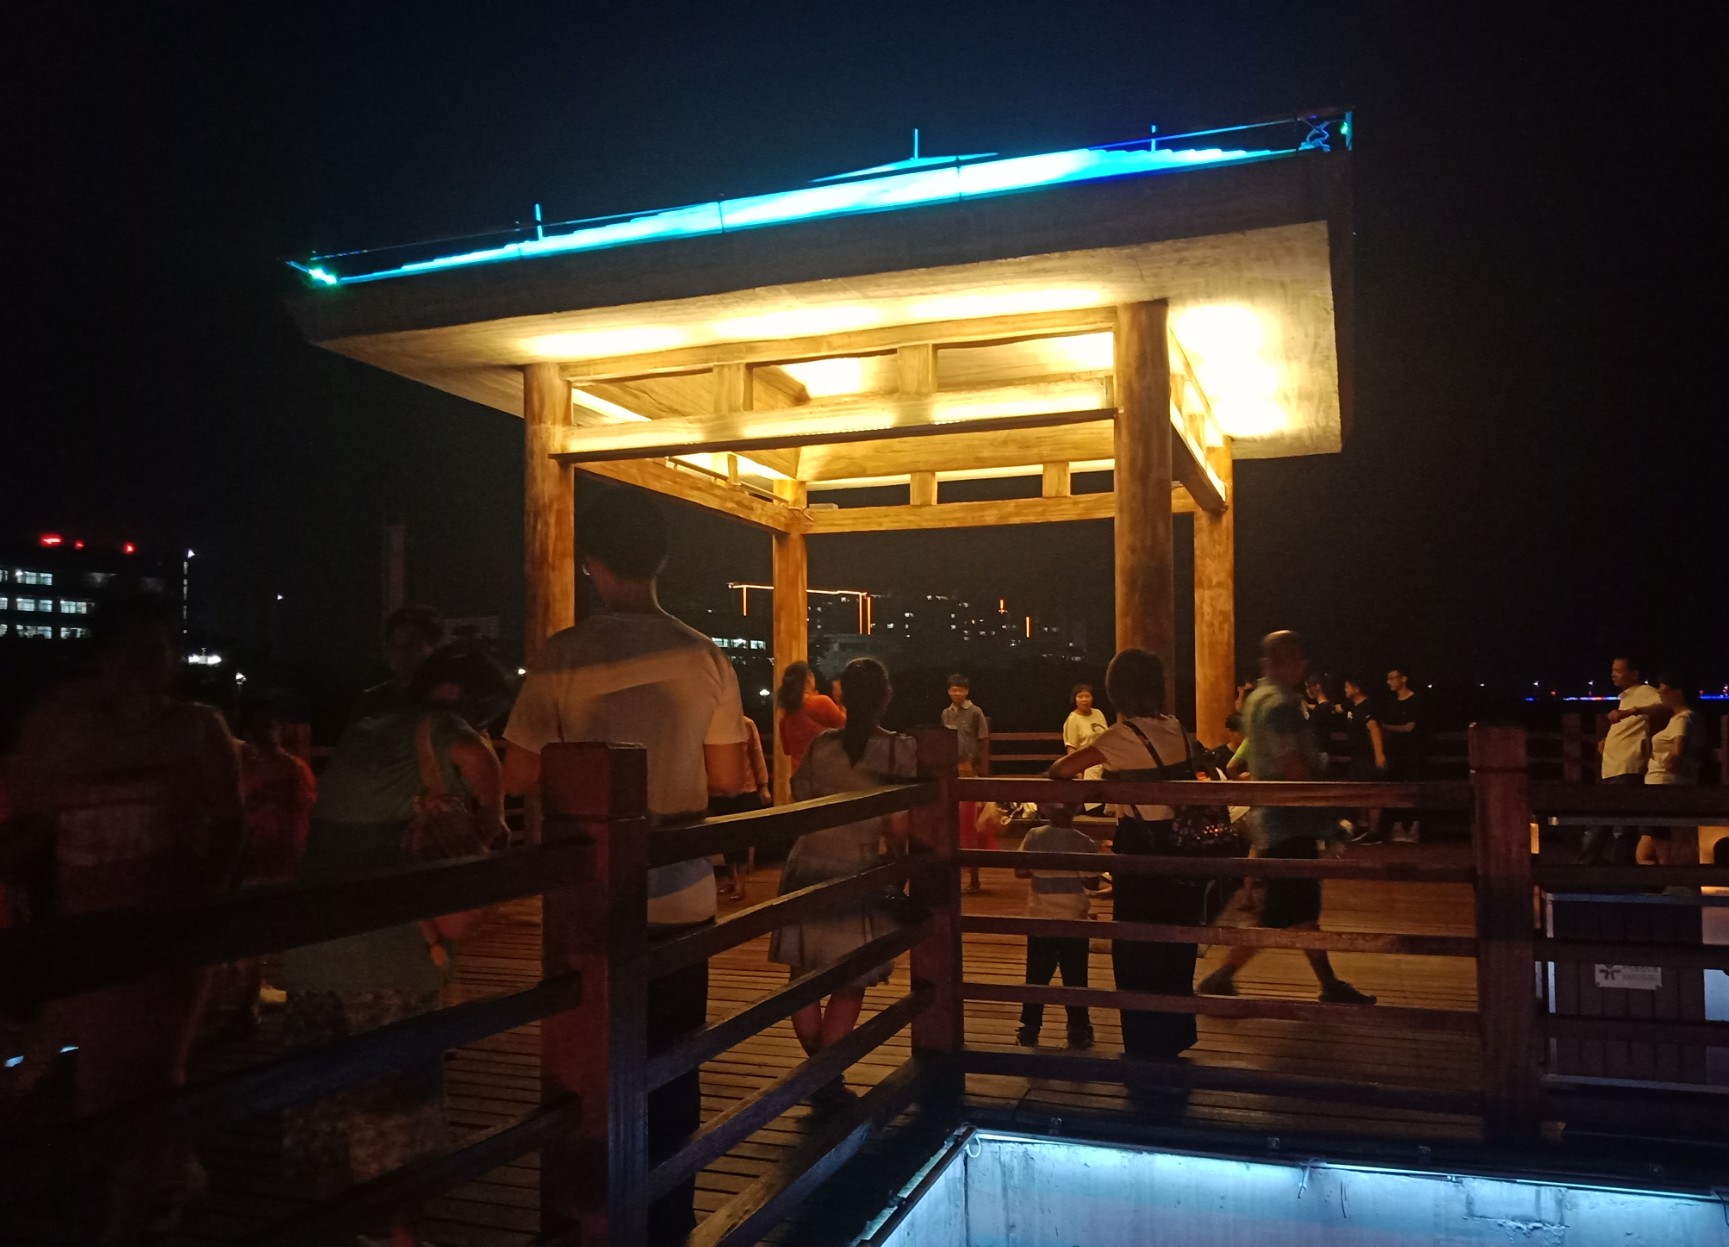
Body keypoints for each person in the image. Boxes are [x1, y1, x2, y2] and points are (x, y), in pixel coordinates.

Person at [500, 488, 751, 1247]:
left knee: (587, 1069)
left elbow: (517, 774)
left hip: (587, 898)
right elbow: (729, 778)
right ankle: (668, 1219)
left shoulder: (562, 655)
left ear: (593, 566)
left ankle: (588, 1220)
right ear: (662, 560)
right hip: (682, 894)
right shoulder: (705, 654)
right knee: (673, 1064)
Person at [4, 591, 244, 1245]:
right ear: (102, 657)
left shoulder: (198, 729)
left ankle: (126, 1223)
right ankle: (173, 1171)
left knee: (144, 1077)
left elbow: (229, 829)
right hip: (85, 936)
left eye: (156, 647)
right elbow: (31, 827)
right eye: (127, 649)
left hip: (166, 941)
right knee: (102, 1086)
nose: (142, 663)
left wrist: (198, 912)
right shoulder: (59, 726)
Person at [280, 646, 507, 1247]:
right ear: (478, 702)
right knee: (396, 1109)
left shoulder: (363, 730)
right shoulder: (460, 738)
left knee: (321, 1104)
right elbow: (489, 833)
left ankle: (330, 1230)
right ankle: (403, 1239)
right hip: (394, 950)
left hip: (310, 944)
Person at [768, 658, 916, 1114]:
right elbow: (899, 824)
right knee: (851, 979)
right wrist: (902, 868)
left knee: (803, 973)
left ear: (842, 696)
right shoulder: (899, 749)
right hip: (859, 864)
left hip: (808, 861)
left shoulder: (822, 746)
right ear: (886, 697)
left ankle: (820, 1070)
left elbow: (801, 795)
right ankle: (826, 1074)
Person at [1197, 632, 1376, 1006]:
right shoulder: (1281, 704)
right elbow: (1292, 764)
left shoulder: (1256, 699)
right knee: (1280, 913)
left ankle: (1329, 983)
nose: (1301, 665)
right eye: (1295, 658)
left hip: (1272, 820)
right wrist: (1328, 811)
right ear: (1285, 661)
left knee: (1299, 911)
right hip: (1292, 821)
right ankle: (1221, 976)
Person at [1049, 647, 1203, 1068]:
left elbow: (1062, 770)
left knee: (1137, 948)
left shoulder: (1120, 736)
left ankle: (1145, 1041)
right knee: (1176, 946)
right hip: (1182, 850)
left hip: (1142, 852)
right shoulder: (1177, 727)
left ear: (1117, 691)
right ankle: (1175, 1034)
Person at [203, 696, 318, 1034]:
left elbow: (306, 808)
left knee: (261, 932)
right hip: (253, 859)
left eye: (270, 726)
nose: (269, 732)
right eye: (262, 726)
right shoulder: (243, 768)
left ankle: (251, 998)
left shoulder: (291, 767)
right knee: (249, 933)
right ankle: (243, 1001)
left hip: (278, 857)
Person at [1013, 802, 1101, 1049]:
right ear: (1077, 809)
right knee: (1075, 974)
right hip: (1073, 915)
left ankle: (1030, 1026)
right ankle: (1078, 1027)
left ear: (1045, 809)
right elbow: (1092, 883)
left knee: (1036, 974)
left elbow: (1020, 870)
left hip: (1040, 915)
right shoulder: (1084, 842)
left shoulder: (1034, 836)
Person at [1578, 656, 1662, 865]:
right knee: (1606, 819)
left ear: (1634, 674)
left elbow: (1663, 707)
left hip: (1628, 765)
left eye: (1618, 670)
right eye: (1612, 670)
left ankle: (1600, 865)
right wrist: (1608, 740)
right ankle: (1608, 864)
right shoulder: (1626, 696)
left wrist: (1632, 711)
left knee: (1612, 821)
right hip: (1613, 766)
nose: (1613, 674)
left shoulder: (1645, 692)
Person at [1638, 676, 1706, 866]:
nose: (1659, 691)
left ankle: (1668, 881)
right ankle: (1668, 879)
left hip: (1663, 788)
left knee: (1653, 854)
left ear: (1678, 692)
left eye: (1663, 687)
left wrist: (1668, 763)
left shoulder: (1682, 719)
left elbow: (1677, 750)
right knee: (1649, 851)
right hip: (1671, 788)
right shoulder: (1692, 718)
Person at [710, 715, 772, 902]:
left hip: (745, 788)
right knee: (724, 837)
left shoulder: (746, 724)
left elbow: (757, 755)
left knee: (742, 836)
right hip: (717, 791)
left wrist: (763, 786)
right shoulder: (711, 725)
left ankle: (741, 882)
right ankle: (733, 878)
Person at [352, 604, 446, 722]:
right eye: (394, 645)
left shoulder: (446, 696)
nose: (400, 653)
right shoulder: (374, 701)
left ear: (434, 648)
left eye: (410, 645)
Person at [945, 675, 993, 892]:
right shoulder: (946, 713)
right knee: (954, 827)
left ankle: (974, 878)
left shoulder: (975, 712)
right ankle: (955, 879)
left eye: (961, 690)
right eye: (954, 690)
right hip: (952, 770)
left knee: (972, 827)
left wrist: (979, 766)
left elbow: (982, 739)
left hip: (970, 769)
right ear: (949, 691)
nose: (957, 693)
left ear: (967, 691)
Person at [1341, 675, 1387, 843]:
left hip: (1367, 757)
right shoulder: (1353, 706)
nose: (1345, 689)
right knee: (1357, 791)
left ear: (1357, 688)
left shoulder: (1368, 706)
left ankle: (1373, 831)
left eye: (1347, 686)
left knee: (1371, 792)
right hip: (1357, 757)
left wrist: (1379, 755)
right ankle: (1363, 826)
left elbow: (1374, 729)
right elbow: (1337, 708)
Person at [776, 661, 846, 767]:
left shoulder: (786, 714)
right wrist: (842, 699)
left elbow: (787, 750)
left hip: (799, 772)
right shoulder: (820, 702)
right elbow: (848, 726)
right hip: (823, 769)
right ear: (809, 677)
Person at [1381, 667, 1423, 842]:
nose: (1389, 682)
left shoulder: (1415, 700)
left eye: (1392, 678)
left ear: (1403, 679)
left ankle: (1414, 827)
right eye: (1388, 679)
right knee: (1395, 788)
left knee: (1412, 788)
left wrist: (1385, 728)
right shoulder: (1391, 702)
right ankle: (1397, 826)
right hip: (1394, 752)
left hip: (1412, 752)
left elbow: (1409, 727)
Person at [1304, 672, 1340, 775]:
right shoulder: (1329, 707)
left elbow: (1311, 729)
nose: (1307, 691)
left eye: (1308, 687)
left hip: (1320, 752)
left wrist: (1305, 713)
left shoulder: (1321, 710)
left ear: (1318, 687)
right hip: (1326, 751)